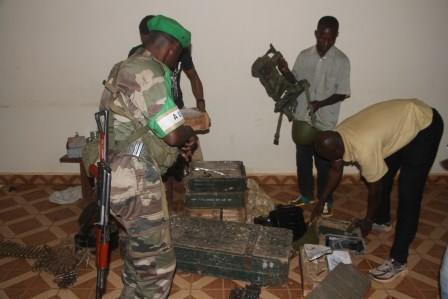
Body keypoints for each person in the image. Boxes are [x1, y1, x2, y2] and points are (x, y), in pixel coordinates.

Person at [100, 15, 198, 298]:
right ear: (170, 49)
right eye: (178, 56)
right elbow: (171, 133)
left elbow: (140, 126)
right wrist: (189, 130)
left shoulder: (123, 67)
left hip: (116, 174)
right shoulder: (148, 72)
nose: (175, 61)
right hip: (134, 180)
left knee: (139, 253)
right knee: (158, 266)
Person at [310, 98, 443, 282]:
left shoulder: (364, 149)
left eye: (331, 158)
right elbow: (335, 168)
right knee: (385, 174)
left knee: (409, 193)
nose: (332, 163)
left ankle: (398, 259)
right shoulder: (337, 135)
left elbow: (375, 190)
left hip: (425, 126)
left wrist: (367, 220)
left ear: (336, 150)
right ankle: (383, 219)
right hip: (402, 122)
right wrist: (321, 200)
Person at [278, 16, 350, 216]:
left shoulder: (342, 61)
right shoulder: (304, 56)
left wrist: (321, 103)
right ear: (316, 34)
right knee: (303, 158)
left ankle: (326, 200)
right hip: (303, 115)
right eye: (322, 38)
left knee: (324, 162)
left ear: (336, 36)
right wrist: (285, 71)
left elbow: (343, 92)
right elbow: (295, 82)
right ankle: (305, 195)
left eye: (331, 39)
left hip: (325, 119)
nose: (325, 43)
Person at [129, 15, 206, 112]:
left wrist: (200, 102)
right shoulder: (136, 56)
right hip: (150, 110)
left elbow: (193, 76)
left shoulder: (181, 53)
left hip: (175, 107)